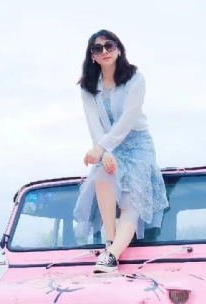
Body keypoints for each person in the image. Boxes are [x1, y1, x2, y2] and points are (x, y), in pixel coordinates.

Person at [73, 29, 169, 273]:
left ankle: (112, 256)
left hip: (137, 144)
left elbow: (129, 119)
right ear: (92, 56)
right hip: (108, 146)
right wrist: (105, 154)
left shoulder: (135, 79)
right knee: (102, 178)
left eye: (109, 45)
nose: (104, 51)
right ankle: (110, 241)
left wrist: (100, 148)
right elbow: (94, 123)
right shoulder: (88, 87)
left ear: (118, 49)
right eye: (98, 48)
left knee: (131, 198)